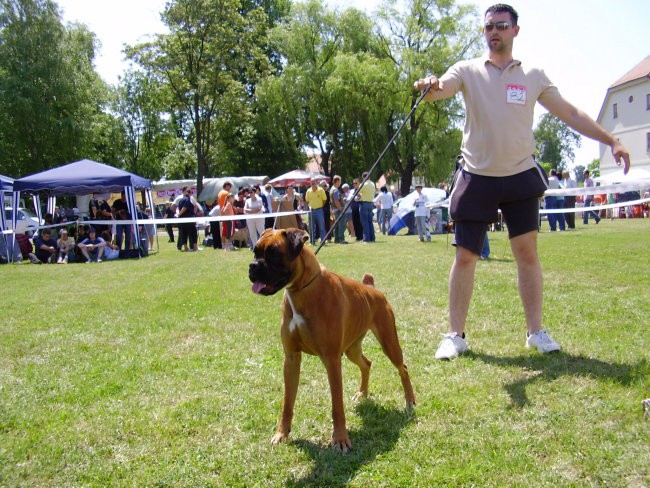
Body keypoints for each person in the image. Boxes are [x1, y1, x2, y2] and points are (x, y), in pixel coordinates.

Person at [414, 3, 630, 359]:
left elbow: (570, 113)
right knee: (466, 256)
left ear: (516, 30)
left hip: (519, 175)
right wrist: (431, 85)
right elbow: (442, 88)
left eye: (501, 25)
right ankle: (455, 335)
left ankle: (536, 332)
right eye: (488, 27)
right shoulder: (466, 70)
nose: (494, 32)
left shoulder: (533, 75)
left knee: (526, 253)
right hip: (476, 175)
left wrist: (612, 141)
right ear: (484, 32)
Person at [177, 186, 200, 252]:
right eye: (191, 192)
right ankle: (195, 247)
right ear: (189, 193)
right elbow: (185, 208)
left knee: (184, 234)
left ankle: (186, 248)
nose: (191, 193)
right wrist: (179, 214)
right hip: (189, 219)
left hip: (182, 220)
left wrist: (179, 215)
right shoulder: (188, 199)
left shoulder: (181, 200)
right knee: (193, 233)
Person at [304, 179, 327, 246]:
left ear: (316, 182)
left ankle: (323, 241)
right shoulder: (308, 191)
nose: (313, 183)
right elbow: (307, 201)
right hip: (311, 211)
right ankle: (312, 242)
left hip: (319, 210)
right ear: (310, 183)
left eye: (314, 182)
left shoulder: (321, 190)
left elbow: (324, 200)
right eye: (312, 182)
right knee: (311, 227)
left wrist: (320, 206)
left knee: (322, 226)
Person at [329, 175, 347, 243]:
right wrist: (340, 208)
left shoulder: (332, 189)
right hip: (338, 209)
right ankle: (341, 239)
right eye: (340, 181)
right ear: (337, 181)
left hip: (335, 209)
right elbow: (336, 200)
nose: (340, 182)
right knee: (342, 225)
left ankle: (336, 239)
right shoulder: (335, 190)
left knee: (337, 225)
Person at [358, 172, 376, 242]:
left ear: (363, 177)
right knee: (370, 222)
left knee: (364, 222)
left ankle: (366, 238)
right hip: (371, 203)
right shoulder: (372, 184)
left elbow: (358, 194)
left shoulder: (363, 184)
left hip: (364, 203)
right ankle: (372, 237)